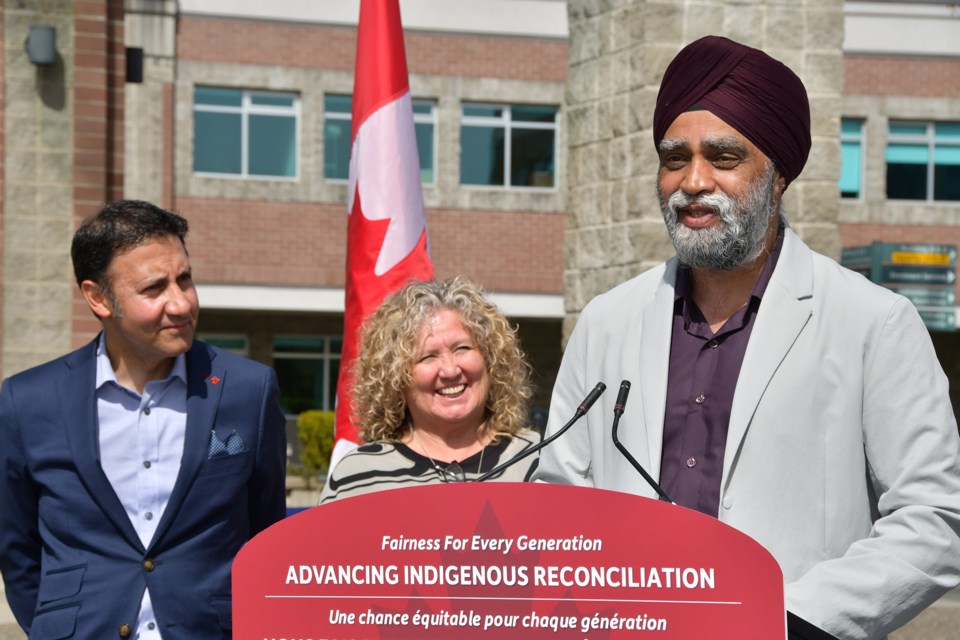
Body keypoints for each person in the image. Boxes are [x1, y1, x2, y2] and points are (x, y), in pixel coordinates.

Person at [534, 35, 960, 640]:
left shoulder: (874, 322)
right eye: (675, 158)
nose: (693, 182)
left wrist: (785, 621)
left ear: (779, 174)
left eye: (724, 158)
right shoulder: (608, 321)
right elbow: (561, 501)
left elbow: (935, 517)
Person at [0, 200, 287, 639]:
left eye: (185, 279)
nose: (180, 304)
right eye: (154, 289)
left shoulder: (249, 389)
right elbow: (17, 548)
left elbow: (265, 534)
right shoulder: (28, 400)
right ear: (98, 298)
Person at [320, 277, 539, 502]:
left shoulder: (542, 463)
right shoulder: (357, 477)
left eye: (462, 348)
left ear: (491, 359)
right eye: (428, 356)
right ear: (395, 377)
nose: (450, 370)